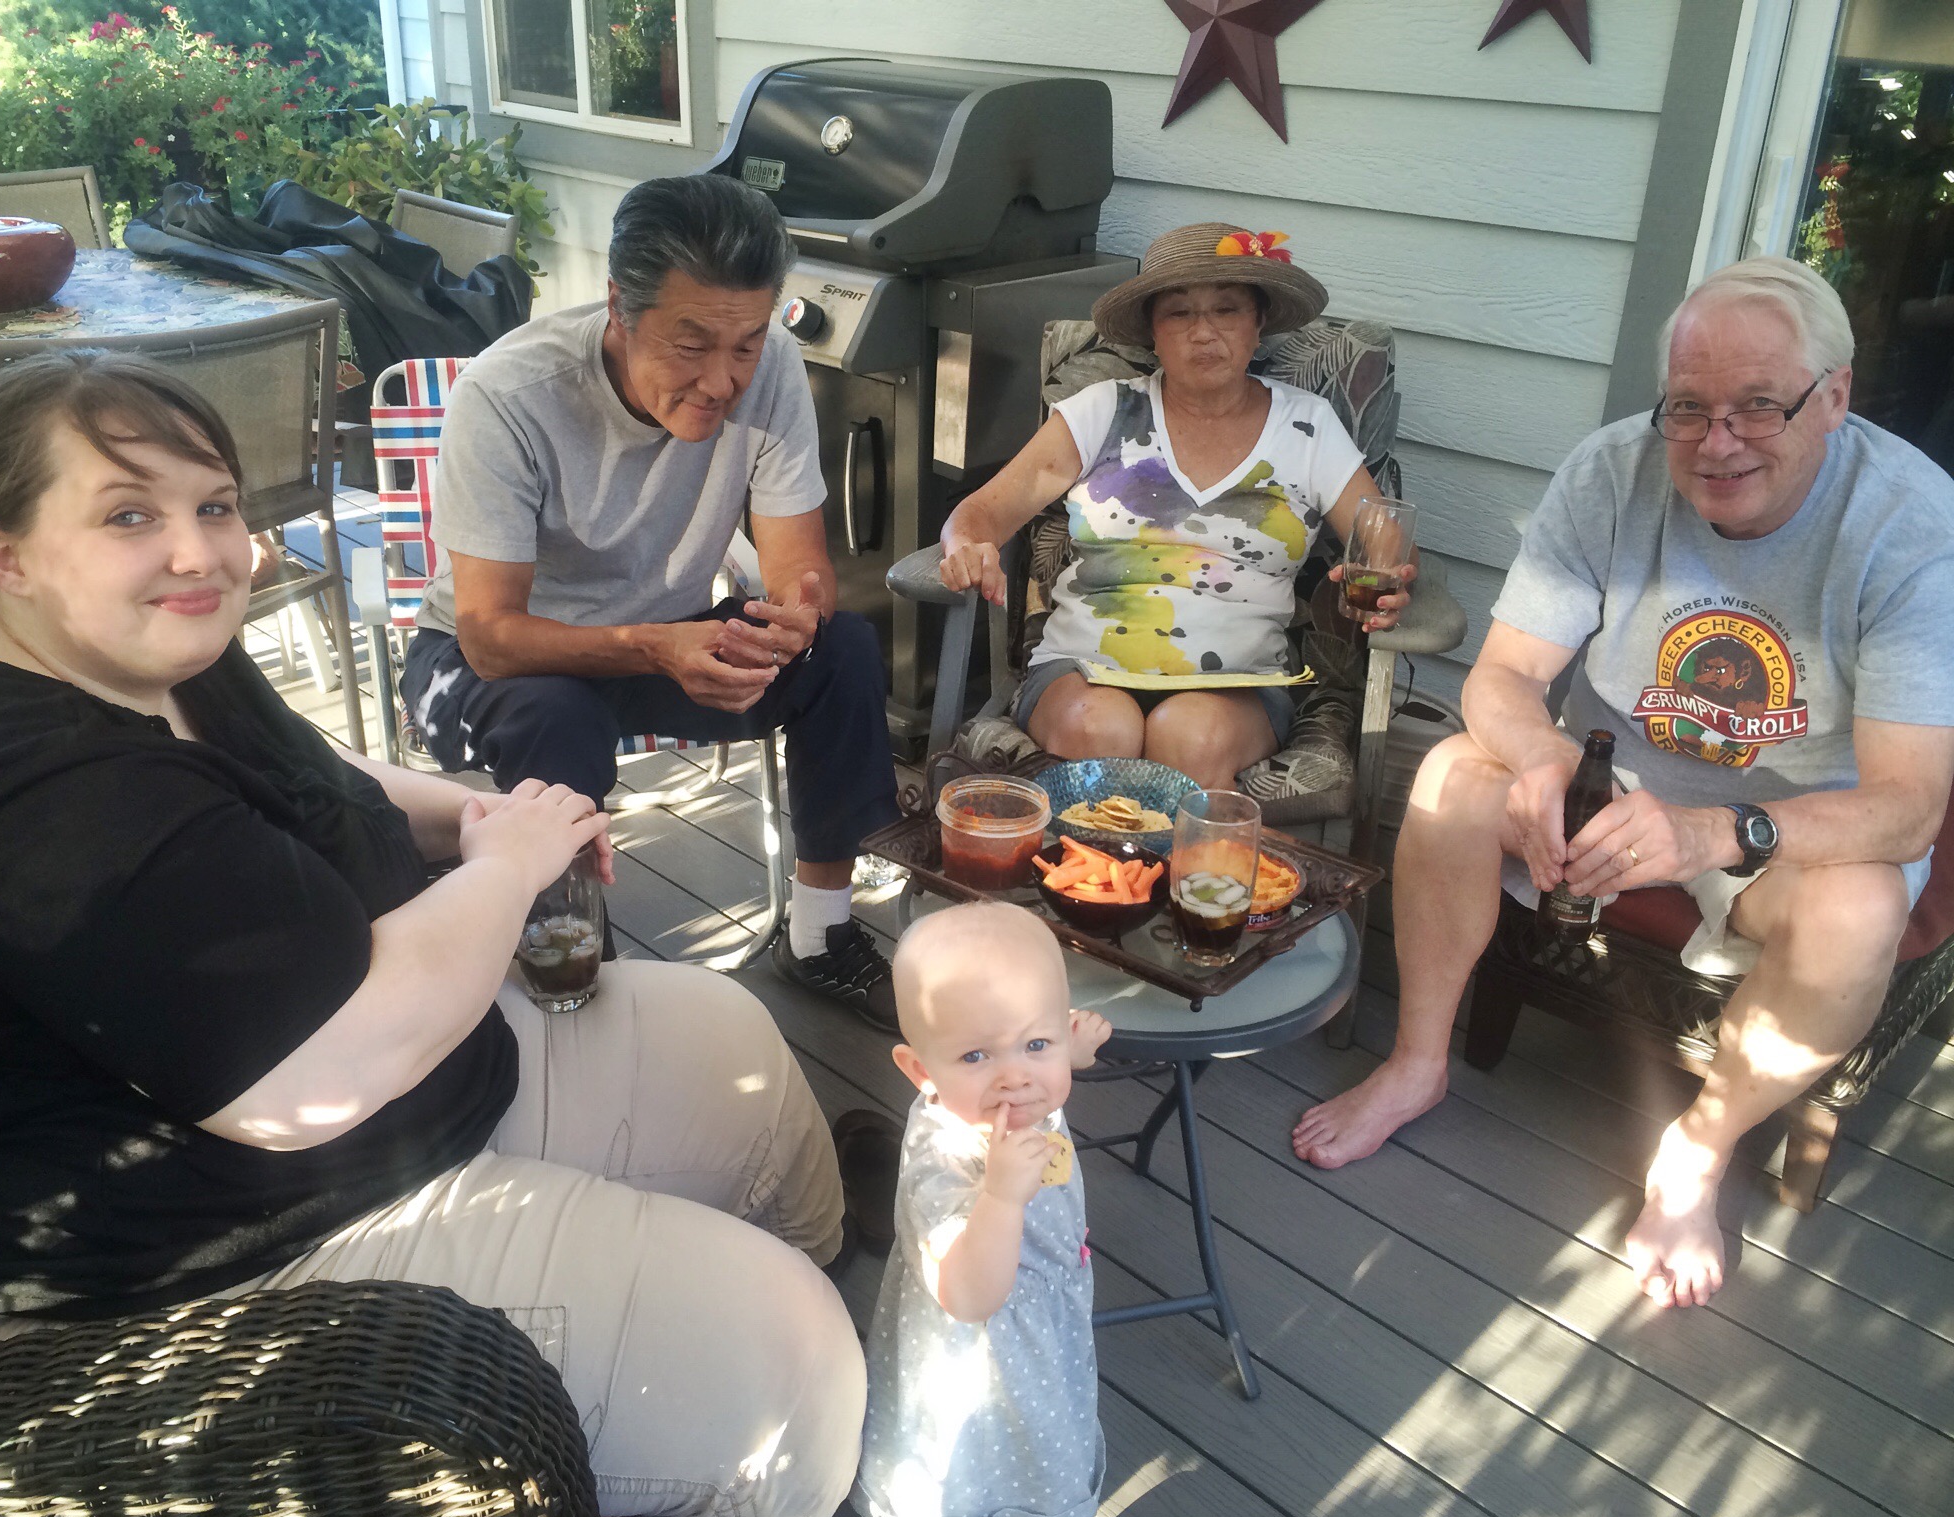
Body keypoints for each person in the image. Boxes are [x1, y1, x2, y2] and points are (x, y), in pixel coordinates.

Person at [0, 354, 865, 1517]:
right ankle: (748, 1433)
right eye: (127, 516)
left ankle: (792, 1297)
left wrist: (468, 815)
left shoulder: (143, 648)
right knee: (790, 1370)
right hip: (207, 1252)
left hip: (387, 1098)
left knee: (730, 1043)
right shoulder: (41, 798)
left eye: (213, 505)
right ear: (7, 556)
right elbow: (310, 1079)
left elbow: (311, 764)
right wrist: (506, 867)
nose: (198, 552)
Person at [1292, 256, 1954, 1309]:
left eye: (1757, 406)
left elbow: (1907, 808)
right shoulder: (1611, 471)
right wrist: (1546, 762)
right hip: (1607, 788)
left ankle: (1697, 1151)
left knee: (1863, 905)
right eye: (1687, 408)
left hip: (1786, 829)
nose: (1715, 442)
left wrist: (1712, 833)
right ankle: (1417, 1061)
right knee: (1454, 776)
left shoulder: (1913, 527)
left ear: (1834, 396)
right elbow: (1504, 679)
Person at [398, 173, 901, 1026]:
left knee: (842, 650)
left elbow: (798, 567)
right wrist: (652, 647)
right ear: (619, 309)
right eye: (691, 344)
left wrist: (795, 619)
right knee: (554, 714)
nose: (722, 380)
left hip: (665, 642)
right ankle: (577, 963)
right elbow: (489, 635)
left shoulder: (773, 364)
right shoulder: (507, 395)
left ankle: (819, 935)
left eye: (745, 344)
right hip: (488, 667)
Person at [936, 221, 1411, 791]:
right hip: (1083, 669)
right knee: (1099, 729)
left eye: (1227, 309)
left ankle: (1159, 853)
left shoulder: (1307, 425)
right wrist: (967, 548)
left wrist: (1388, 577)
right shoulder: (1101, 410)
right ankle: (1105, 854)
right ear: (1152, 334)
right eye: (1179, 313)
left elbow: (1382, 535)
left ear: (1258, 323)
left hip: (1236, 683)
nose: (1203, 332)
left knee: (1189, 738)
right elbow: (983, 512)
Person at [852, 904, 1112, 1517]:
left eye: (1036, 1044)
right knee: (996, 1462)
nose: (1016, 1079)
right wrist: (1000, 1199)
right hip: (984, 1361)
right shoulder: (944, 1164)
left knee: (1040, 1435)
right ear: (922, 1072)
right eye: (975, 1056)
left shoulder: (1016, 1095)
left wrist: (1069, 1053)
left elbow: (1021, 1061)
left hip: (1044, 1320)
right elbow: (967, 1297)